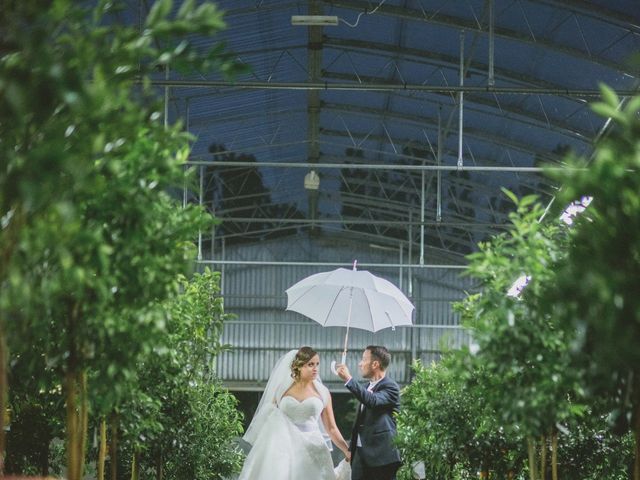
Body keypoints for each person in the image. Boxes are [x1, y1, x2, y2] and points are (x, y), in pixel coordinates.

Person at [239, 346, 351, 480]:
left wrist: (347, 450)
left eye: (317, 364)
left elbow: (331, 428)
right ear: (299, 366)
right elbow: (270, 417)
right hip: (283, 448)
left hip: (312, 446)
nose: (315, 368)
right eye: (310, 364)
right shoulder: (282, 389)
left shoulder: (323, 393)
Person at [336, 346, 402, 480]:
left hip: (382, 457)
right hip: (360, 456)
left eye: (364, 359)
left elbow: (372, 400)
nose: (360, 364)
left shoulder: (391, 387)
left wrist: (349, 379)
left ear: (375, 364)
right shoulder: (366, 387)